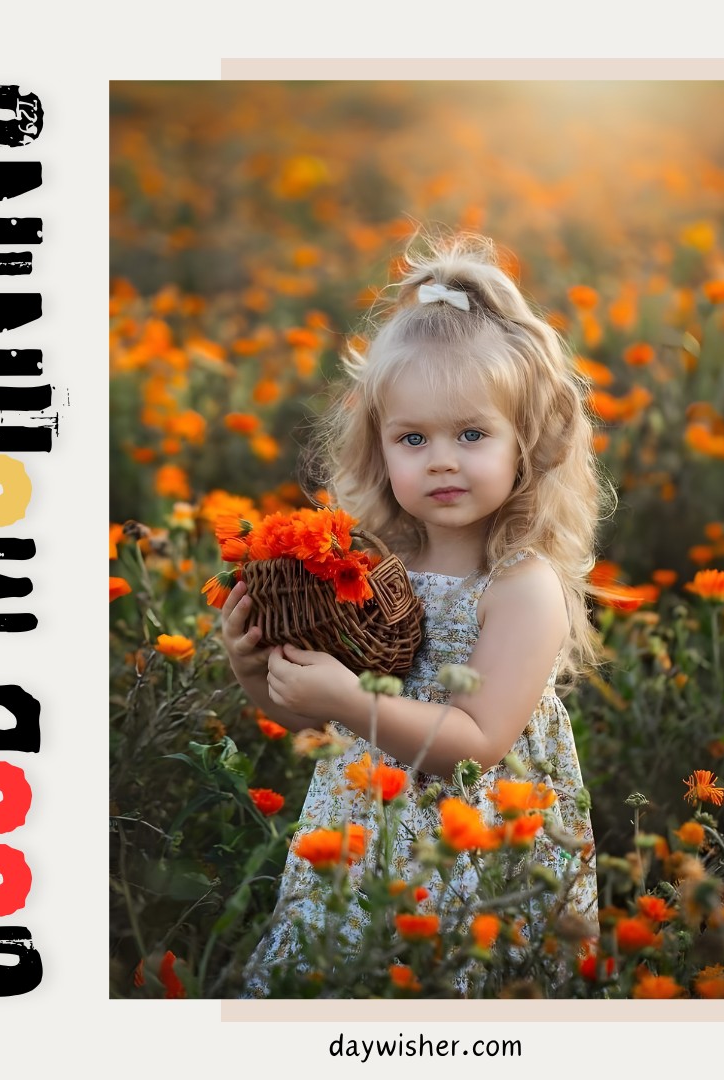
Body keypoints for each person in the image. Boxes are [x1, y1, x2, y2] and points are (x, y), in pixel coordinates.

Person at [221, 231, 608, 996]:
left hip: (478, 860)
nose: (441, 459)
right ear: (379, 449)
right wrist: (257, 672)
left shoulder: (522, 586)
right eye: (413, 438)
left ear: (524, 443)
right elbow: (312, 716)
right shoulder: (372, 569)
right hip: (362, 838)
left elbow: (478, 743)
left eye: (471, 434)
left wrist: (345, 698)